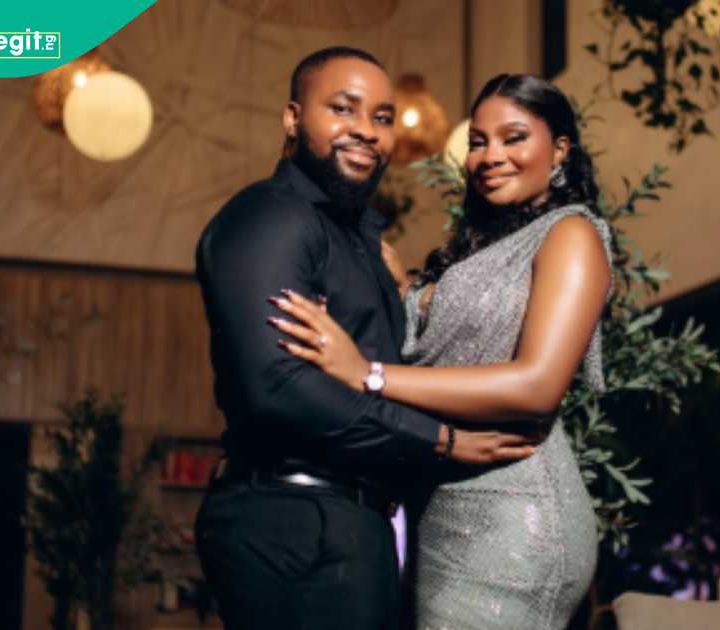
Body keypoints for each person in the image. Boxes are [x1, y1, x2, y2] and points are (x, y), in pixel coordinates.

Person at [193, 48, 536, 630]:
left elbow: (382, 365)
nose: (367, 131)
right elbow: (277, 388)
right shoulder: (270, 217)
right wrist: (441, 442)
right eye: (343, 109)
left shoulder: (362, 243)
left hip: (357, 520)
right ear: (293, 118)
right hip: (292, 518)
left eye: (382, 118)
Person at [269, 73, 613, 630]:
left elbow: (538, 384)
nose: (490, 156)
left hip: (516, 510)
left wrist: (367, 374)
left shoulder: (572, 235)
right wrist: (403, 289)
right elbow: (453, 343)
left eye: (514, 137)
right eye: (478, 141)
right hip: (442, 504)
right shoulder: (485, 245)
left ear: (561, 149)